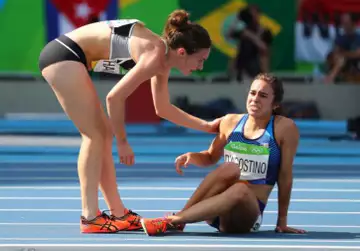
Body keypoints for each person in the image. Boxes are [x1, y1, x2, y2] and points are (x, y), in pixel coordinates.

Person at [38, 9, 222, 233]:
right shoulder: (155, 54)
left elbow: (162, 109)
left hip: (70, 58)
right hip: (63, 55)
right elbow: (114, 97)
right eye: (200, 60)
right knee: (95, 135)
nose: (200, 67)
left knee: (102, 134)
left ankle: (118, 213)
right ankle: (89, 217)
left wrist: (207, 126)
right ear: (182, 52)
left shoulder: (162, 59)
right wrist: (123, 142)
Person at [140, 73, 307, 236]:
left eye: (263, 96)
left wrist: (282, 221)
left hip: (246, 214)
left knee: (241, 188)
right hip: (216, 211)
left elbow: (285, 176)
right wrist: (193, 156)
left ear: (275, 104)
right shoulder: (230, 122)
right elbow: (211, 157)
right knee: (229, 168)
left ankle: (174, 220)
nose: (255, 99)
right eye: (252, 93)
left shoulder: (284, 128)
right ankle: (179, 218)